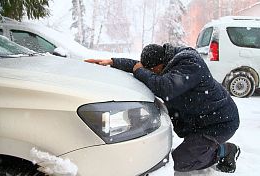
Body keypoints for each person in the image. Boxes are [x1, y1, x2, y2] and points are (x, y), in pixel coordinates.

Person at [85, 43, 241, 173]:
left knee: (181, 161)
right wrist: (113, 62)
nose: (152, 74)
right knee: (188, 152)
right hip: (201, 119)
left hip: (220, 124)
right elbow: (140, 67)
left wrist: (140, 71)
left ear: (161, 64)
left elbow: (164, 88)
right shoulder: (168, 60)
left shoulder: (191, 64)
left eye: (153, 71)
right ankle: (205, 148)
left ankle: (225, 151)